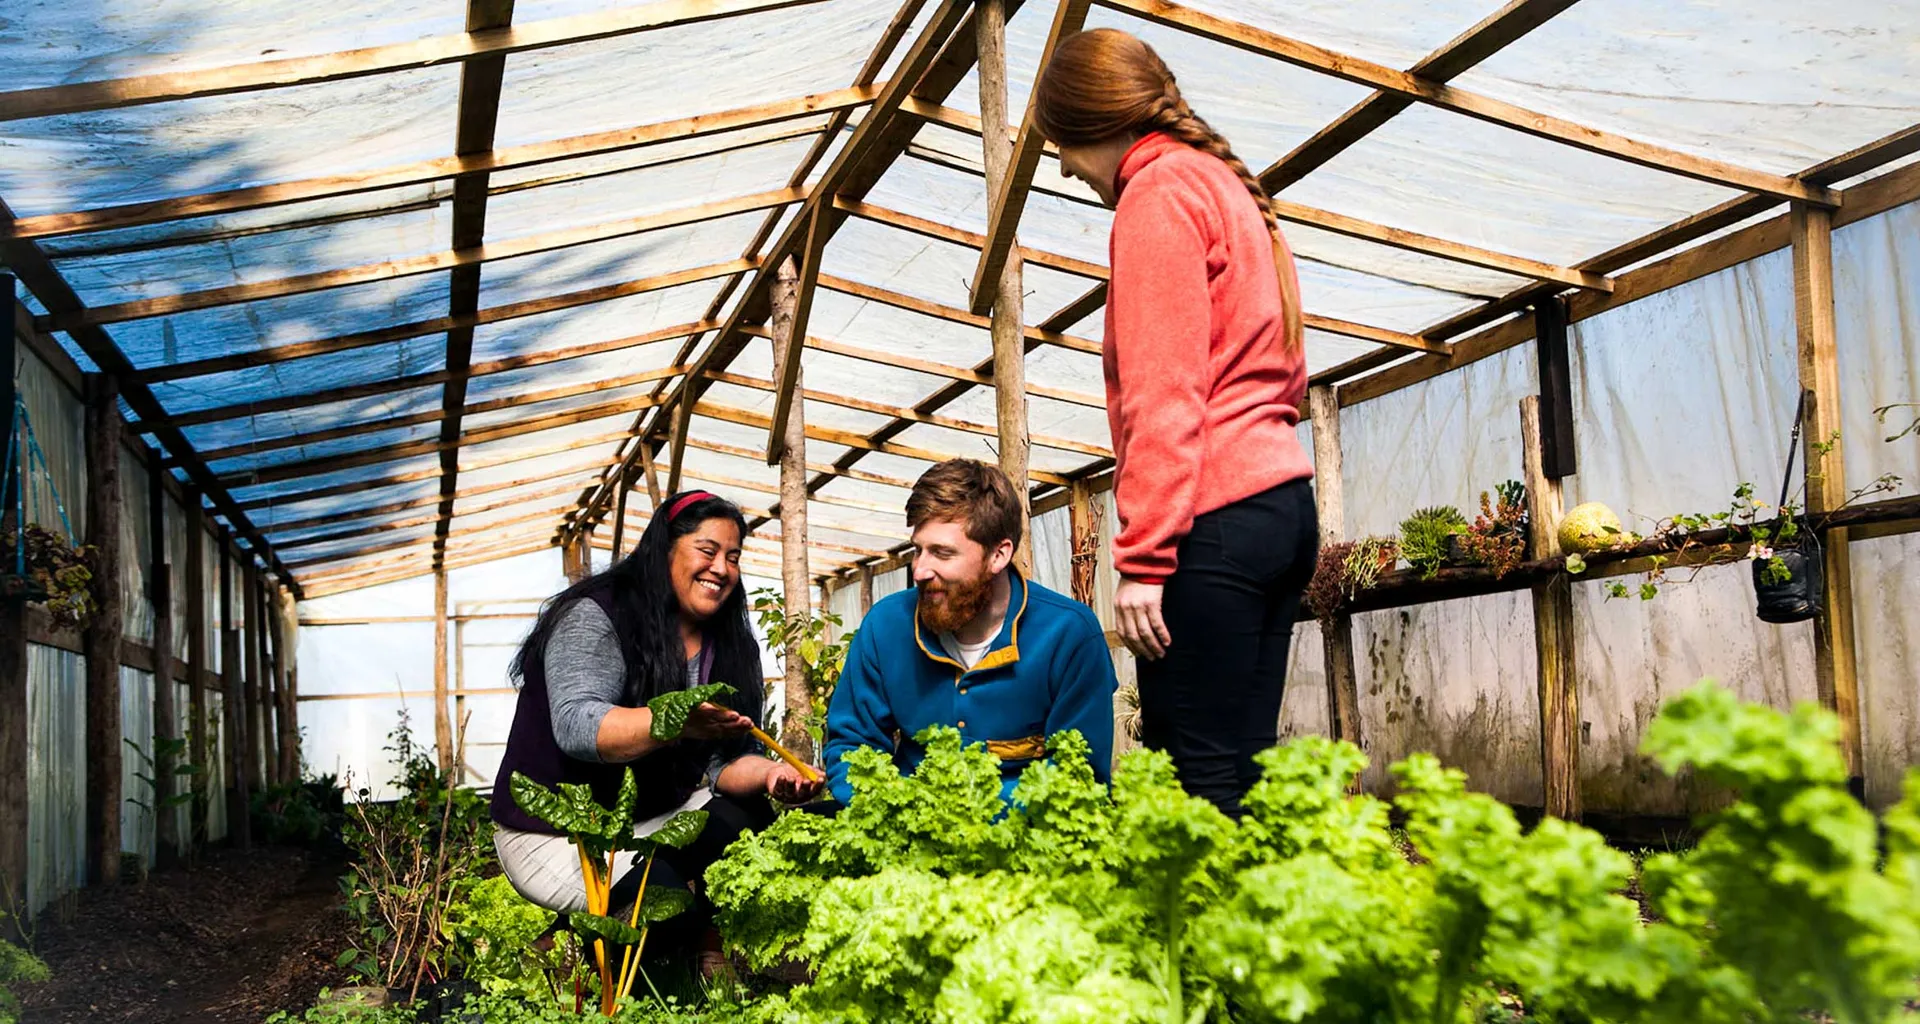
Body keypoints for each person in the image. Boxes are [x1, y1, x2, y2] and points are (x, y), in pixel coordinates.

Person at [1032, 28, 1319, 818]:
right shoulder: (1228, 187)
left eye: (1061, 143)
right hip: (1281, 507)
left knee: (1190, 790)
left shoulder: (1157, 196)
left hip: (1211, 519)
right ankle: (1263, 939)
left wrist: (1146, 556)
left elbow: (1165, 392)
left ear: (1098, 122)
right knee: (1244, 775)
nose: (1061, 165)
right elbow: (1284, 372)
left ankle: (1200, 944)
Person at [490, 490, 820, 972]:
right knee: (663, 918)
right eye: (707, 551)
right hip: (556, 833)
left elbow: (724, 762)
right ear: (665, 548)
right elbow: (579, 726)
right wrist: (676, 722)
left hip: (643, 821)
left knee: (745, 817)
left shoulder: (725, 643)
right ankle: (556, 953)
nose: (722, 569)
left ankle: (710, 948)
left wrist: (773, 775)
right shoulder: (597, 615)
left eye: (733, 557)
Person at [822, 459, 1118, 806]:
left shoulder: (1070, 636)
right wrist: (894, 811)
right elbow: (851, 744)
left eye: (942, 553)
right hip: (907, 838)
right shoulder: (885, 625)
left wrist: (965, 818)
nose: (919, 570)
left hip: (1025, 844)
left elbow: (1081, 776)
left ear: (998, 555)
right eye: (917, 550)